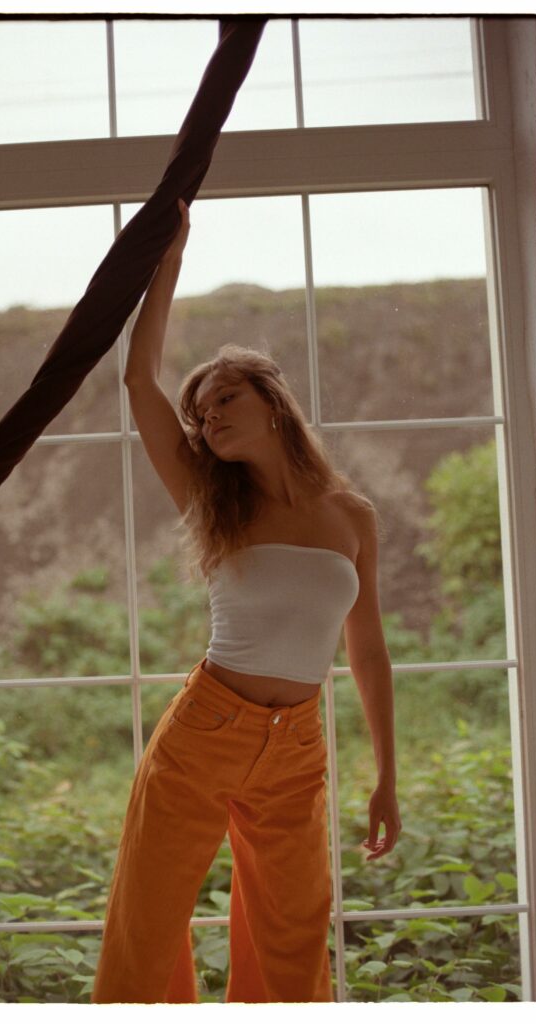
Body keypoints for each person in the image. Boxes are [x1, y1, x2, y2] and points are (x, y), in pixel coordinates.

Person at [92, 198, 401, 1004]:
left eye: (225, 397)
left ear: (271, 402)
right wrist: (170, 257)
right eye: (201, 412)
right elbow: (137, 378)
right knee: (148, 935)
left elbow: (366, 650)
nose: (208, 416)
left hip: (297, 750)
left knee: (292, 949)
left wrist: (387, 776)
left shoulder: (352, 515)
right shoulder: (210, 499)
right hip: (203, 734)